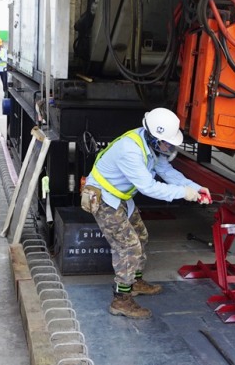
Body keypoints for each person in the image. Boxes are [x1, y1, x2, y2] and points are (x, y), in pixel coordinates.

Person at [81, 108, 211, 319]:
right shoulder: (130, 150)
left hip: (121, 196)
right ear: (153, 136)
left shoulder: (150, 144)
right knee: (128, 246)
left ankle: (135, 282)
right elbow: (149, 188)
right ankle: (121, 300)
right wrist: (184, 193)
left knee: (141, 236)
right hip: (104, 198)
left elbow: (167, 172)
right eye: (166, 142)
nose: (169, 146)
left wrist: (195, 188)